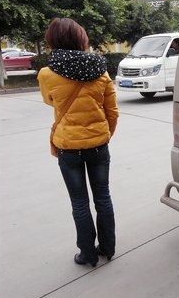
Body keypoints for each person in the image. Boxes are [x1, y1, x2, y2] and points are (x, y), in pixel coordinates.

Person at [38, 18, 119, 267]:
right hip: (98, 146)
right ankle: (108, 247)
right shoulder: (101, 70)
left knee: (79, 203)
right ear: (80, 39)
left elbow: (50, 101)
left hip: (68, 148)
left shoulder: (47, 73)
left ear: (53, 40)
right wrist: (103, 136)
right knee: (103, 197)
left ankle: (87, 254)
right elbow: (112, 112)